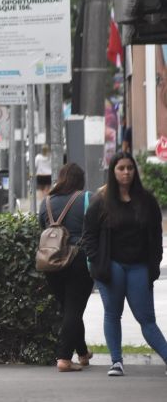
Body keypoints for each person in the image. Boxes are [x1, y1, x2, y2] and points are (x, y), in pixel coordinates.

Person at [82, 152, 167, 377]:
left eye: (130, 168)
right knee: (112, 314)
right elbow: (88, 235)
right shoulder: (101, 201)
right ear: (113, 171)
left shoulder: (146, 200)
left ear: (135, 171)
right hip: (112, 266)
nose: (126, 172)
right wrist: (96, 260)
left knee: (146, 318)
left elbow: (156, 235)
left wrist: (155, 262)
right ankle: (116, 362)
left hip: (139, 266)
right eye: (121, 168)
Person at [38, 163, 94, 372]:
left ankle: (82, 353)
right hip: (79, 259)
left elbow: (42, 226)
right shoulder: (86, 198)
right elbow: (95, 227)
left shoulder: (47, 202)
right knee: (74, 309)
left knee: (69, 309)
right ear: (80, 180)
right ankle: (63, 358)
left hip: (50, 261)